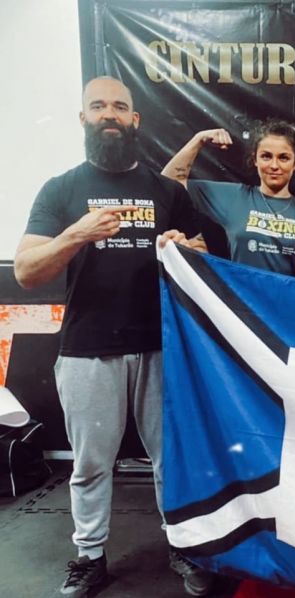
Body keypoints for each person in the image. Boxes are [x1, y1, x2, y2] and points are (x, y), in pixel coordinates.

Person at [13, 76, 212, 597]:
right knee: (91, 463)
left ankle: (182, 546)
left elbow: (205, 257)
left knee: (173, 458)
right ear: (83, 118)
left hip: (161, 345)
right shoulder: (61, 189)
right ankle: (89, 556)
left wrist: (185, 248)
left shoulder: (166, 191)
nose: (109, 114)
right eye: (98, 106)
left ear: (134, 119)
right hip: (88, 347)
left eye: (119, 107)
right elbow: (27, 271)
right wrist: (76, 233)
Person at [161, 118, 295, 273]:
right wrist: (199, 140)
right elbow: (169, 182)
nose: (274, 165)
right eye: (266, 156)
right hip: (239, 289)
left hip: (285, 290)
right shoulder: (235, 198)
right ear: (255, 159)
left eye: (283, 157)